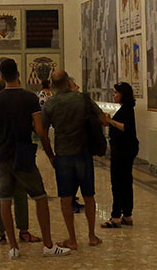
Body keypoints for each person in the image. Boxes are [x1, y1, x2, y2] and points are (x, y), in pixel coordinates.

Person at [0, 59, 71, 259]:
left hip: (2, 154)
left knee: (4, 200)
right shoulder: (29, 98)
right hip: (23, 153)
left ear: (2, 76)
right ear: (18, 74)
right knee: (40, 197)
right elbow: (40, 129)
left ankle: (13, 247)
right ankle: (48, 245)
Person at [41, 69, 107, 249]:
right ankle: (92, 235)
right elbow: (102, 119)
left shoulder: (51, 104)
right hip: (84, 153)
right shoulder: (82, 98)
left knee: (66, 198)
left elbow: (42, 132)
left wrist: (50, 155)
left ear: (53, 85)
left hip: (63, 155)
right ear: (69, 81)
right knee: (88, 196)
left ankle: (72, 239)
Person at [0, 78, 35, 246]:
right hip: (16, 152)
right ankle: (23, 230)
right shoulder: (20, 103)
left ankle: (1, 233)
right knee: (20, 192)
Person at [104, 81, 139, 228]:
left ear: (123, 95)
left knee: (118, 182)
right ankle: (127, 214)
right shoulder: (123, 109)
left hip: (123, 149)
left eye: (116, 93)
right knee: (125, 182)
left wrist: (111, 121)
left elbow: (126, 127)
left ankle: (116, 216)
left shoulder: (126, 109)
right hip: (124, 148)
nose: (114, 95)